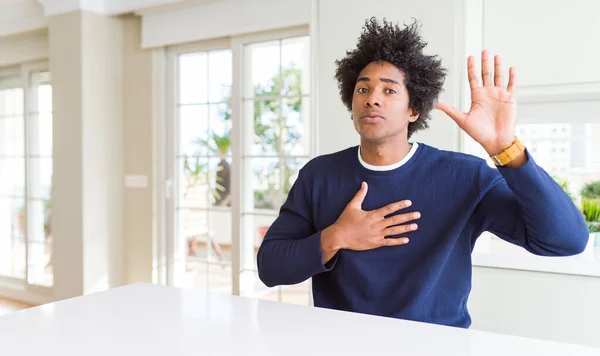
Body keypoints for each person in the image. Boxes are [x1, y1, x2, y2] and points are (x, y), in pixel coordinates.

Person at [256, 17, 589, 328]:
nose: (372, 99)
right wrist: (337, 237)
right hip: (343, 343)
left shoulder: (465, 177)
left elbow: (566, 241)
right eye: (363, 89)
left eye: (389, 90)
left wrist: (506, 147)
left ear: (414, 109)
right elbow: (270, 267)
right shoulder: (319, 175)